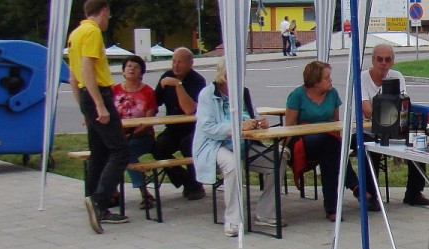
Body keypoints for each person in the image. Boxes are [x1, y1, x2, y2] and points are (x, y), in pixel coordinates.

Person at [67, 0, 130, 233]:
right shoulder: (92, 33)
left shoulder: (75, 34)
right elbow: (86, 68)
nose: (109, 20)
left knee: (99, 153)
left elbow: (73, 77)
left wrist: (84, 107)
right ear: (103, 12)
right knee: (121, 150)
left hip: (86, 95)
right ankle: (99, 200)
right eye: (109, 15)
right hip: (99, 94)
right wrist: (99, 105)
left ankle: (92, 200)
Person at [285, 60, 377, 221]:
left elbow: (335, 124)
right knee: (332, 145)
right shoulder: (297, 95)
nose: (331, 80)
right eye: (327, 78)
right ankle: (356, 187)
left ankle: (333, 208)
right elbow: (290, 127)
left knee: (330, 153)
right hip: (303, 141)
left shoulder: (332, 94)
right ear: (315, 81)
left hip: (329, 142)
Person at [192, 60, 275, 236]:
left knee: (278, 159)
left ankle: (266, 212)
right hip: (214, 146)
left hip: (245, 144)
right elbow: (209, 128)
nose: (238, 79)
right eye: (233, 76)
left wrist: (260, 123)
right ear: (223, 76)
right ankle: (232, 220)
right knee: (232, 163)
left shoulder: (243, 93)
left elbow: (250, 117)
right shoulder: (207, 94)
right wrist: (237, 127)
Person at [361, 44, 429, 207]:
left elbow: (402, 106)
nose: (383, 63)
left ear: (392, 61)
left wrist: (388, 112)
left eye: (387, 59)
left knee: (418, 140)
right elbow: (367, 111)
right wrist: (388, 110)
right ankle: (371, 196)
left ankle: (414, 193)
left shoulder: (397, 76)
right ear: (373, 60)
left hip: (394, 126)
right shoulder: (362, 78)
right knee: (371, 148)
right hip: (367, 129)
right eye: (379, 59)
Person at [152, 48, 207, 200]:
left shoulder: (197, 81)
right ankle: (186, 181)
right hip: (173, 128)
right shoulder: (166, 76)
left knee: (187, 145)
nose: (175, 65)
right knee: (158, 147)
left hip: (193, 128)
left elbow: (190, 109)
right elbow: (154, 103)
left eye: (180, 62)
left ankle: (196, 185)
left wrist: (178, 85)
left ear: (190, 63)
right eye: (173, 61)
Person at [112, 55, 158, 209]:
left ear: (141, 72)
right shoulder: (114, 90)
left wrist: (130, 136)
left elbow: (148, 121)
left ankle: (145, 193)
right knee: (106, 152)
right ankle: (112, 192)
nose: (132, 69)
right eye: (129, 66)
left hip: (142, 136)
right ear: (123, 71)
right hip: (118, 136)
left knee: (126, 150)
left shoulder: (148, 92)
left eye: (136, 67)